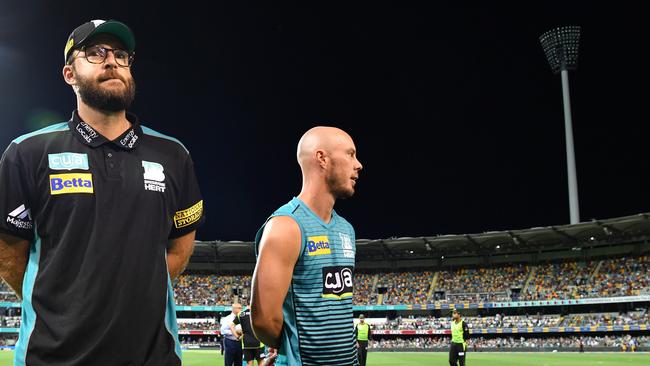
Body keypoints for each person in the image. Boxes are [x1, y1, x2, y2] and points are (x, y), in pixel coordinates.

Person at [0, 19, 204, 366]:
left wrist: (132, 289)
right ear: (69, 75)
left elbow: (179, 249)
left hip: (151, 358)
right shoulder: (27, 152)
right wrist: (61, 304)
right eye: (95, 53)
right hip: (52, 358)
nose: (111, 61)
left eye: (121, 54)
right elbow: (9, 252)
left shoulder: (173, 155)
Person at [250, 126, 363, 365]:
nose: (358, 164)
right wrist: (290, 351)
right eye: (351, 154)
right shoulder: (286, 226)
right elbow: (263, 320)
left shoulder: (347, 230)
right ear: (322, 158)